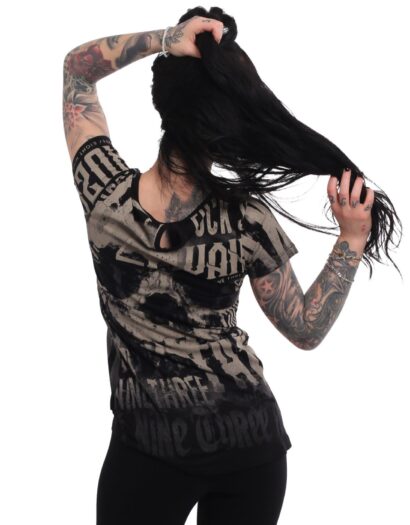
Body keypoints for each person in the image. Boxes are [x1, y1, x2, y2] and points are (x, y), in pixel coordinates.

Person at [63, 7, 401, 525]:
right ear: (228, 126)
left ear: (164, 105)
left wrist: (166, 39)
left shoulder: (103, 191)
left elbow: (77, 69)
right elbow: (304, 328)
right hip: (248, 449)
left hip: (154, 452)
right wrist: (351, 239)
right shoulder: (247, 218)